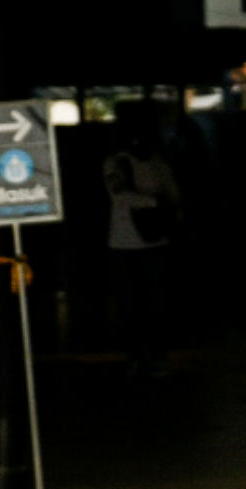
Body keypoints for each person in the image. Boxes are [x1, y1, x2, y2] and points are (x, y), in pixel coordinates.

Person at [103, 122, 181, 377]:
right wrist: (155, 203)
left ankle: (151, 356)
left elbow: (173, 196)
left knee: (150, 303)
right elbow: (120, 194)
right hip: (130, 244)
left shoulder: (156, 164)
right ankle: (140, 356)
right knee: (135, 304)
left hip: (148, 242)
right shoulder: (117, 163)